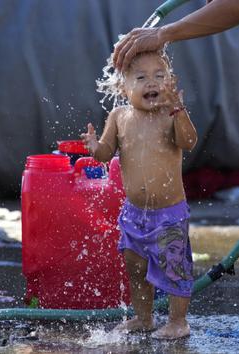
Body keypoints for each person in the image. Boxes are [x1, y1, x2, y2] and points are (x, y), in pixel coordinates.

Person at [81, 50, 198, 339]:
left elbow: (190, 141)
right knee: (136, 268)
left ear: (170, 82)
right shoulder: (119, 116)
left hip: (169, 213)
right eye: (141, 77)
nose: (151, 83)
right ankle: (143, 318)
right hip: (134, 213)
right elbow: (107, 153)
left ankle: (178, 321)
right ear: (123, 87)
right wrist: (95, 147)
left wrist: (179, 110)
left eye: (160, 76)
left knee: (175, 268)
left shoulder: (171, 114)